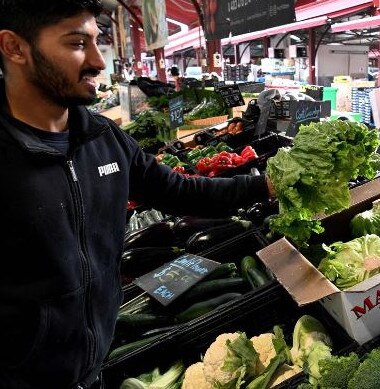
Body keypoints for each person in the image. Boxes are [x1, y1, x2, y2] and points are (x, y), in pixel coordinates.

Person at [0, 1, 274, 388]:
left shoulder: (103, 138)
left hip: (94, 368)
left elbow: (181, 192)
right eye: (78, 43)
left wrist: (264, 184)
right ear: (14, 48)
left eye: (97, 42)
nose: (98, 61)